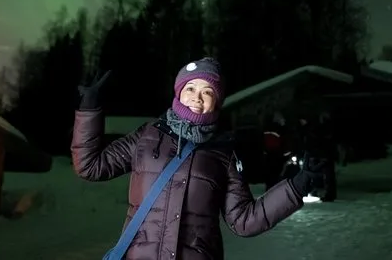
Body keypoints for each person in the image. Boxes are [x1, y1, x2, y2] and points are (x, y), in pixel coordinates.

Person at [72, 57, 315, 260]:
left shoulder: (223, 154)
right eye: (190, 88)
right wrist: (89, 109)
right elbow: (90, 166)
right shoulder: (147, 136)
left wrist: (295, 188)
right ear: (179, 93)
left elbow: (244, 220)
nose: (197, 98)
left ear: (216, 101)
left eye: (207, 92)